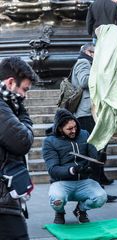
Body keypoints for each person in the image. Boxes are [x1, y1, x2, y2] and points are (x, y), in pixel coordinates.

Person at [42, 108, 107, 224]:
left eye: (75, 127)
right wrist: (72, 170)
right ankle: (60, 211)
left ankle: (80, 210)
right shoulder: (49, 141)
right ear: (60, 129)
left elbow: (93, 155)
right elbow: (53, 170)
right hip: (62, 182)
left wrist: (100, 156)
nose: (74, 130)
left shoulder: (84, 134)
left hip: (83, 181)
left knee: (101, 197)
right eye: (69, 129)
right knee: (56, 200)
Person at [71, 43, 117, 202]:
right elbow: (84, 81)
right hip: (87, 113)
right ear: (88, 52)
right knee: (94, 150)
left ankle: (99, 180)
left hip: (92, 112)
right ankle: (96, 189)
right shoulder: (83, 62)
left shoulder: (87, 63)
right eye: (95, 53)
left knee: (98, 147)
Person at [0, 56, 38, 239]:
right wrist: (24, 116)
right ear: (10, 82)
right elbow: (22, 141)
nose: (25, 96)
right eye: (24, 89)